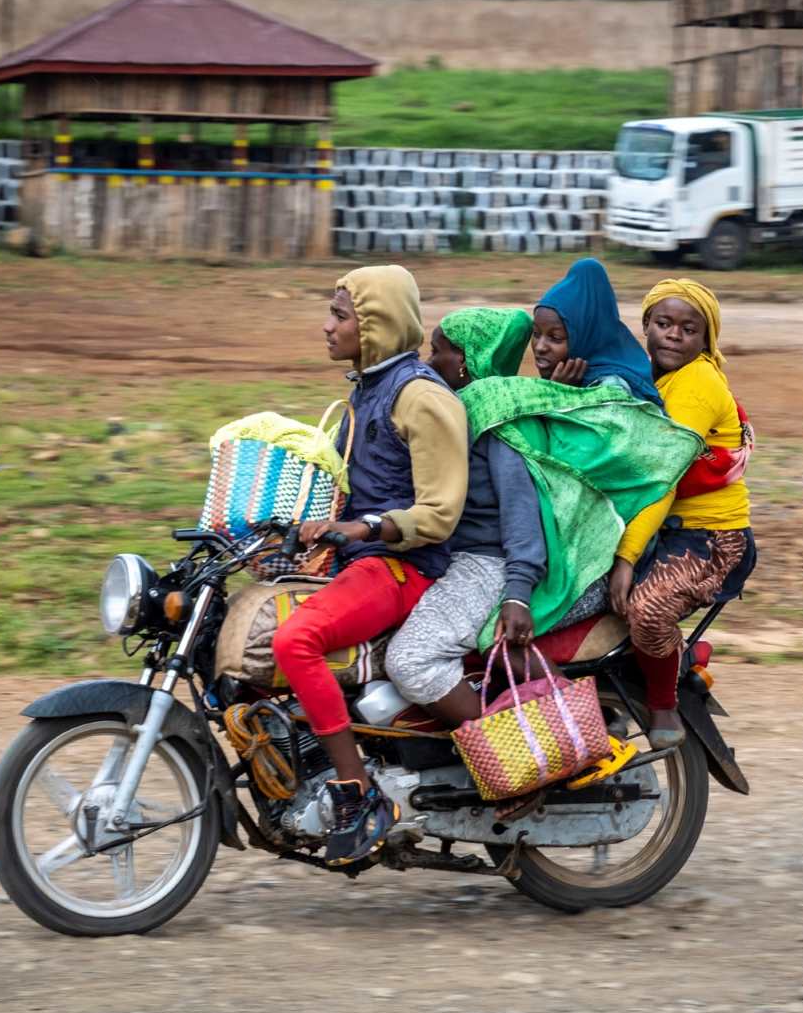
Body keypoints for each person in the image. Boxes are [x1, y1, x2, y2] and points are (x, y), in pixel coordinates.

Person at [271, 265, 469, 866]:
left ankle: (356, 794)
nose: (326, 327)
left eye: (339, 315)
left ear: (375, 323)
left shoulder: (421, 398)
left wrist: (365, 527)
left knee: (295, 640)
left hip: (402, 568)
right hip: (360, 560)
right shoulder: (366, 390)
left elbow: (439, 513)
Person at [610, 278, 757, 749]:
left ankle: (663, 703)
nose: (674, 335)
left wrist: (627, 557)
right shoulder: (648, 376)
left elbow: (662, 479)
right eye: (664, 323)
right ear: (646, 326)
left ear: (706, 340)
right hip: (666, 526)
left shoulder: (696, 384)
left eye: (689, 329)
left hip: (710, 538)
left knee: (646, 609)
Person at [384, 308, 544, 727]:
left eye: (438, 351)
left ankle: (508, 753)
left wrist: (517, 593)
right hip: (446, 556)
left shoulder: (492, 419)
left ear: (466, 359)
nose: (428, 362)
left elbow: (520, 510)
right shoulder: (450, 408)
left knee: (410, 660)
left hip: (485, 562)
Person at [531, 257, 663, 404]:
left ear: (586, 337)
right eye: (536, 334)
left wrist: (558, 396)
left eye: (555, 338)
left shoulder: (613, 390)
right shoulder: (566, 377)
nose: (540, 347)